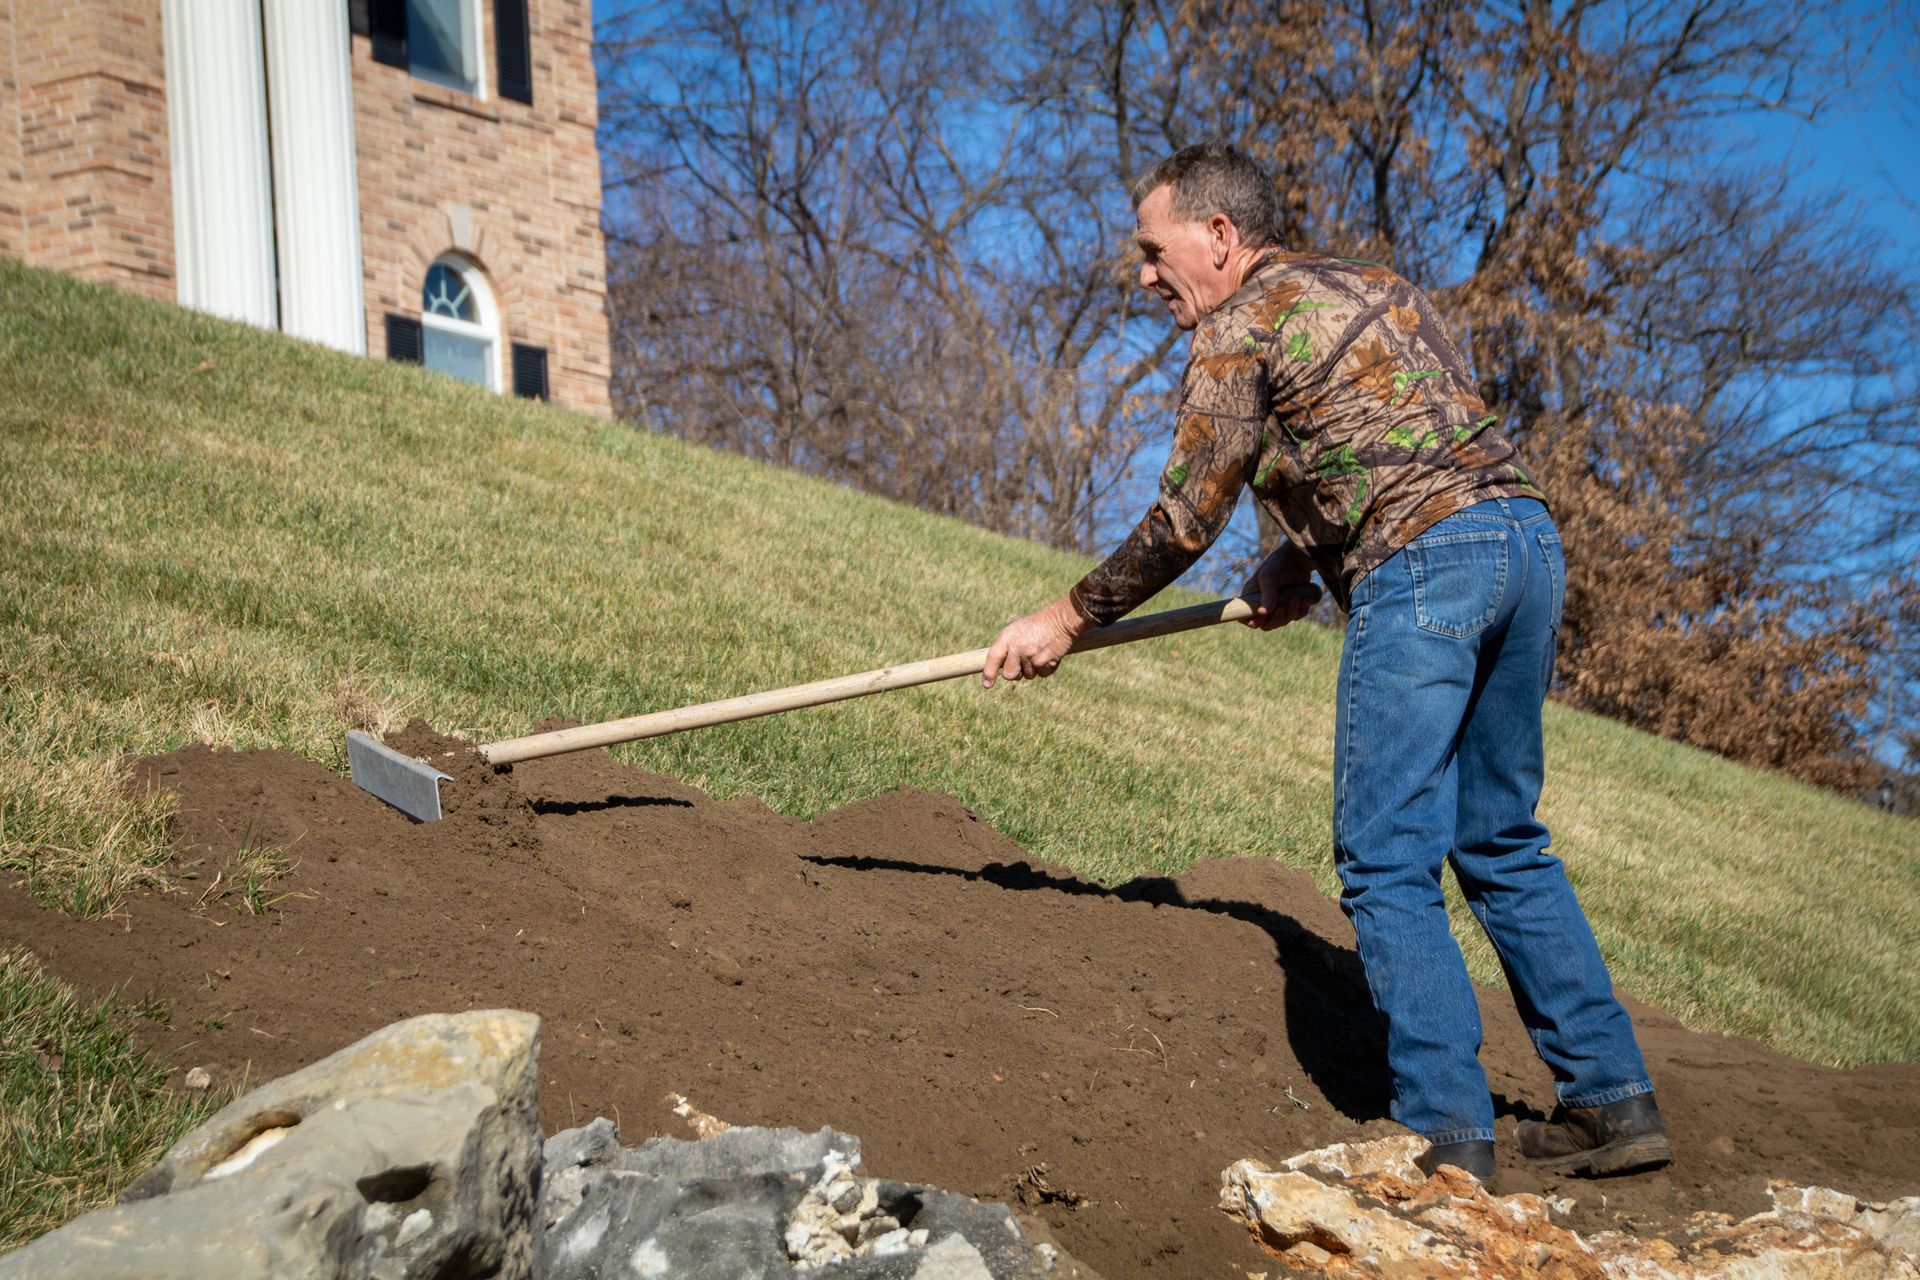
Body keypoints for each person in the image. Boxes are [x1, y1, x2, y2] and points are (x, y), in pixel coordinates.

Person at [982, 142, 1671, 1183]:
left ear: (1220, 235)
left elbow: (1182, 518)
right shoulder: (1374, 286)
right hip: (1523, 542)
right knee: (1500, 836)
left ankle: (1446, 1130)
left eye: (1151, 248)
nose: (1141, 274)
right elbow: (1395, 436)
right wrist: (1300, 553)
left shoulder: (1237, 325)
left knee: (1386, 852)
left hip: (1427, 566)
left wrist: (1065, 618)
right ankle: (1613, 1100)